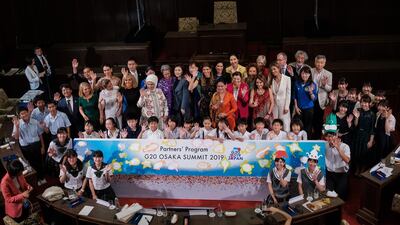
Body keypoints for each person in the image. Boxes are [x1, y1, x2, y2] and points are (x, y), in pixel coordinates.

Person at [12, 107, 46, 186]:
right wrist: (16, 126)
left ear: (28, 112)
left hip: (36, 145)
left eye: (25, 112)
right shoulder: (17, 123)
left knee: (39, 162)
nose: (24, 115)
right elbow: (16, 137)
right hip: (25, 148)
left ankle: (42, 177)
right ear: (19, 116)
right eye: (22, 114)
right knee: (30, 163)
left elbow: (40, 134)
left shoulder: (35, 122)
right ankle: (36, 179)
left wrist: (43, 146)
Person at [352, 95, 375, 176]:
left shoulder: (372, 114)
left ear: (369, 103)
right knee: (357, 153)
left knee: (364, 154)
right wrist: (357, 117)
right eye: (362, 102)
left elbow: (372, 129)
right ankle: (357, 168)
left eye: (365, 102)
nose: (363, 104)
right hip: (358, 134)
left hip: (366, 136)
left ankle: (362, 169)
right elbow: (355, 125)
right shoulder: (358, 110)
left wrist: (371, 141)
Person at [324, 131, 351, 200]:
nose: (330, 138)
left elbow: (347, 160)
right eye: (328, 136)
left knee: (340, 197)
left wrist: (338, 148)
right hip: (330, 173)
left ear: (337, 136)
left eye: (332, 136)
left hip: (342, 174)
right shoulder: (324, 145)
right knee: (328, 194)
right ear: (326, 138)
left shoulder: (345, 146)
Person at [311, 55, 333, 139]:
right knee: (310, 121)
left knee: (319, 122)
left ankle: (317, 140)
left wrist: (324, 85)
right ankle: (309, 139)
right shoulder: (311, 71)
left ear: (324, 63)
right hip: (310, 99)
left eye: (321, 63)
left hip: (321, 101)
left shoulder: (328, 74)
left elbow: (329, 88)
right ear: (315, 62)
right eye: (318, 62)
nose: (319, 64)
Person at [293, 66, 318, 135]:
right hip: (299, 108)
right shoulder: (296, 83)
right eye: (303, 73)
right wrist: (296, 107)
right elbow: (295, 96)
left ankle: (307, 141)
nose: (304, 75)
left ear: (309, 75)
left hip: (309, 109)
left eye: (306, 74)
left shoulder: (312, 84)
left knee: (308, 126)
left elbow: (314, 98)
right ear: (300, 74)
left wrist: (311, 92)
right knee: (299, 126)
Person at [270, 61, 291, 132]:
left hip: (284, 105)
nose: (273, 71)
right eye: (272, 70)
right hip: (274, 106)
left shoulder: (287, 78)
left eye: (274, 69)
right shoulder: (271, 80)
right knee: (275, 124)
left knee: (285, 124)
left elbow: (288, 93)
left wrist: (287, 106)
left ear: (279, 69)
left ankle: (287, 140)